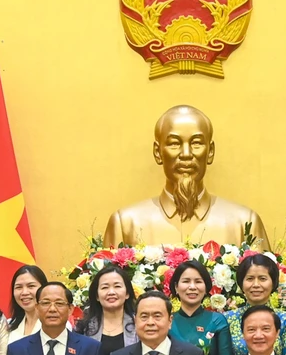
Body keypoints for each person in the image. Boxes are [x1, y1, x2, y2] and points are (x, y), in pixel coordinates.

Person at [103, 105, 270, 249]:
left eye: (196, 143)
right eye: (174, 143)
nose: (186, 154)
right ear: (157, 152)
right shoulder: (125, 224)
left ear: (210, 151)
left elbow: (264, 283)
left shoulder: (244, 224)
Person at [225, 254, 286, 355]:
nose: (256, 284)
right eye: (250, 279)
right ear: (241, 283)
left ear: (273, 282)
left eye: (262, 279)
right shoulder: (228, 319)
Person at [168, 261, 232, 355]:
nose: (192, 287)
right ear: (176, 287)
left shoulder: (217, 321)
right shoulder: (167, 321)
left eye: (198, 281)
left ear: (206, 287)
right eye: (186, 281)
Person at [76, 265, 138, 355]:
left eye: (117, 286)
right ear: (97, 295)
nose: (111, 292)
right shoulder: (84, 327)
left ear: (127, 293)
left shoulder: (139, 324)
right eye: (105, 287)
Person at [6, 265, 49, 344]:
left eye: (31, 286)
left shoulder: (57, 324)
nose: (24, 292)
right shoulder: (7, 325)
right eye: (19, 287)